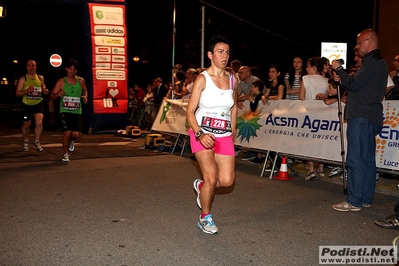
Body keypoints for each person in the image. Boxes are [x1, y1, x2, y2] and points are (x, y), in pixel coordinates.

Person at [331, 29, 388, 212]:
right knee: (367, 159)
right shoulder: (375, 63)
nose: (357, 47)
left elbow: (354, 85)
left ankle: (354, 201)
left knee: (356, 158)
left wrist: (339, 68)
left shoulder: (374, 62)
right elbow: (359, 86)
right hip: (369, 116)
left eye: (359, 43)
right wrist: (343, 78)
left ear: (369, 41)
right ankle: (364, 198)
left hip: (362, 116)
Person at [187, 35, 238, 234]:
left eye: (227, 52)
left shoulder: (232, 79)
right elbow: (190, 112)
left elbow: (233, 107)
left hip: (224, 135)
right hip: (202, 133)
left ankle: (201, 188)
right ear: (210, 55)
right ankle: (205, 217)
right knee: (211, 177)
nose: (224, 56)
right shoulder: (202, 79)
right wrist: (199, 134)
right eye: (220, 52)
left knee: (226, 181)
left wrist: (232, 129)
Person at [50, 59, 88, 163]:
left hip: (77, 111)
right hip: (65, 111)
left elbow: (85, 90)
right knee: (67, 132)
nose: (72, 71)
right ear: (66, 69)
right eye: (70, 69)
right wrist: (57, 94)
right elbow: (51, 95)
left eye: (74, 69)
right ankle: (66, 153)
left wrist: (85, 96)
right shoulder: (61, 82)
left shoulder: (81, 81)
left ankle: (71, 141)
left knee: (77, 134)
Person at [299, 57, 329, 180]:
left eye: (308, 66)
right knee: (322, 140)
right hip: (323, 114)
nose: (306, 69)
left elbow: (301, 97)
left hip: (308, 114)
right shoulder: (327, 81)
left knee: (308, 141)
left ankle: (311, 169)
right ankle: (321, 168)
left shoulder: (305, 79)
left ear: (314, 68)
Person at [15, 59, 49, 152]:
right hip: (27, 104)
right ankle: (25, 141)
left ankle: (37, 142)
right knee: (26, 125)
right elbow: (17, 93)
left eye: (33, 65)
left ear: (36, 67)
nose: (31, 67)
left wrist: (45, 91)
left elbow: (43, 88)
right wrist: (26, 91)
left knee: (39, 123)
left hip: (38, 103)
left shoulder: (40, 78)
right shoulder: (23, 79)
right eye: (29, 65)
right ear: (26, 67)